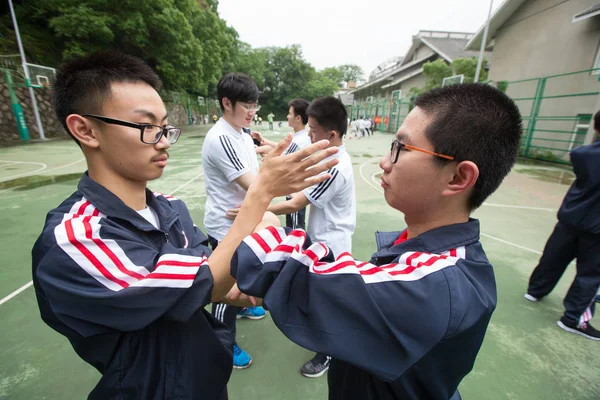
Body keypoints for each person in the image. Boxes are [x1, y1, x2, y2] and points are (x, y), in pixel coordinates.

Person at [31, 50, 339, 399]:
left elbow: (214, 279)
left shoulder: (169, 208)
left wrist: (271, 290)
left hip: (202, 378)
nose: (163, 141)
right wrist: (262, 195)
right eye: (147, 127)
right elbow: (202, 284)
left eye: (164, 127)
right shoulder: (77, 236)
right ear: (85, 130)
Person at [230, 83, 523, 399]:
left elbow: (294, 274)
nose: (385, 162)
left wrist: (261, 202)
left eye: (401, 148)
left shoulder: (430, 287)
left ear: (457, 177)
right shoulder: (444, 258)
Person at [229, 96, 356, 378]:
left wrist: (255, 206)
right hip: (325, 239)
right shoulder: (329, 157)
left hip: (331, 245)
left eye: (312, 130)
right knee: (320, 295)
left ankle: (328, 353)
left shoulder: (334, 167)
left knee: (327, 299)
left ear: (331, 134)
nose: (308, 135)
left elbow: (295, 203)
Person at [524, 110, 600, 340]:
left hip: (572, 216)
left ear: (595, 126)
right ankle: (573, 319)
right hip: (597, 227)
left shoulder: (581, 154)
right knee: (590, 274)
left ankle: (535, 291)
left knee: (553, 256)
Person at [248, 99, 312, 230]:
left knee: (296, 229)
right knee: (296, 224)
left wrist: (258, 150)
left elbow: (280, 159)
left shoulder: (298, 141)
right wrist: (264, 141)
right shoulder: (300, 137)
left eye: (290, 114)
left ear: (298, 118)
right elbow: (281, 148)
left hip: (295, 190)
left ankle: (298, 248)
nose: (287, 116)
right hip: (295, 188)